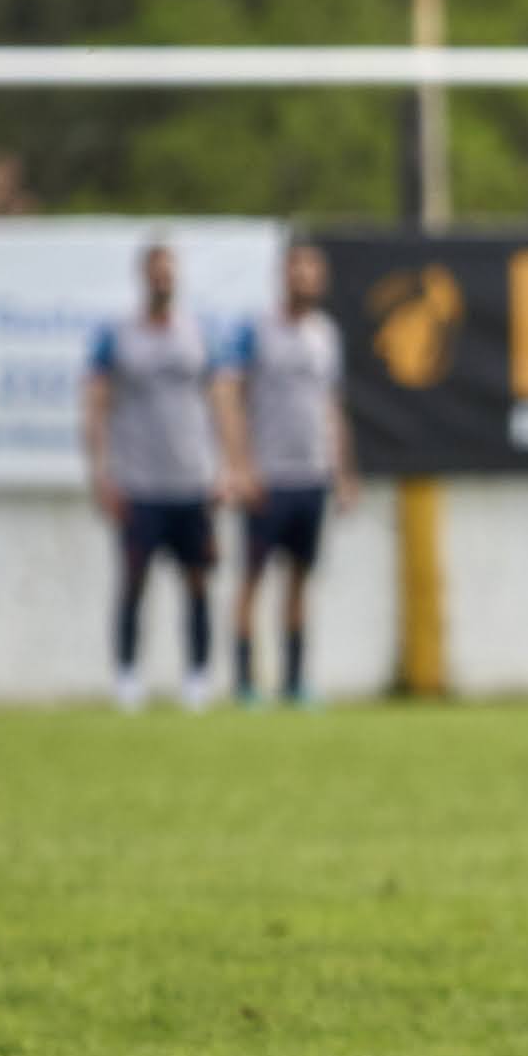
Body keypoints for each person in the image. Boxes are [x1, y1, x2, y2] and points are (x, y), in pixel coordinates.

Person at [84, 235, 222, 712]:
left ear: (177, 277)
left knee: (198, 580)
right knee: (133, 581)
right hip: (139, 483)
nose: (163, 279)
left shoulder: (199, 333)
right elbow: (96, 407)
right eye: (155, 270)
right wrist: (102, 473)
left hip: (192, 481)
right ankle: (126, 677)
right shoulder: (117, 335)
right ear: (142, 276)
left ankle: (198, 679)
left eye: (170, 271)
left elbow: (221, 405)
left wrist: (225, 469)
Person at [215, 238, 350, 708]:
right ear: (282, 275)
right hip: (267, 478)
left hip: (311, 476)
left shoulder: (326, 334)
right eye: (296, 271)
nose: (304, 280)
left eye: (312, 272)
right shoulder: (256, 331)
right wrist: (240, 466)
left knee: (299, 581)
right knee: (251, 580)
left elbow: (332, 407)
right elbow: (228, 396)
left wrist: (344, 472)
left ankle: (295, 681)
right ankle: (245, 681)